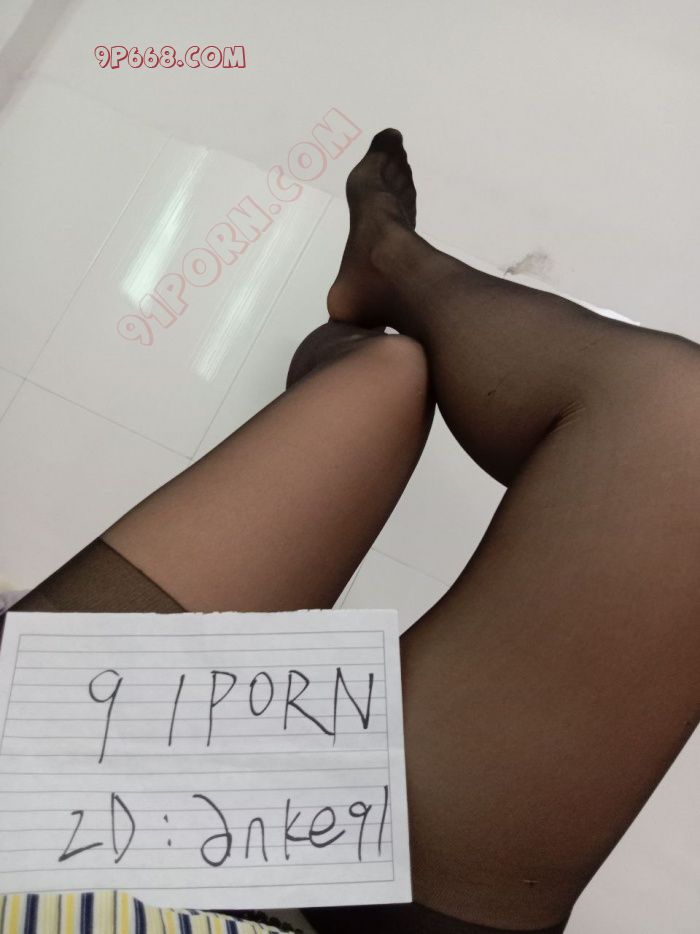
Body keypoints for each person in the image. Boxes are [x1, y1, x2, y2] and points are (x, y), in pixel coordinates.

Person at [9, 130, 700, 934]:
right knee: (675, 427)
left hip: (30, 839)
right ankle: (383, 281)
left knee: (392, 379)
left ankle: (369, 305)